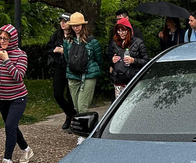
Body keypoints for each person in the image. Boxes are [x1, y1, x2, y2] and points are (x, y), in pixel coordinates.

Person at [0, 24, 32, 163]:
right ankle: (26, 149)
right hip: (1, 97)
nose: (2, 41)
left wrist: (6, 60)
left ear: (12, 39)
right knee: (11, 126)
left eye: (5, 38)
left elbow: (18, 76)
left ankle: (7, 161)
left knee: (9, 126)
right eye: (0, 38)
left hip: (18, 98)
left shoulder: (21, 55)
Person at [63, 12, 104, 144]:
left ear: (83, 25)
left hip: (88, 75)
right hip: (73, 75)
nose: (76, 28)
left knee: (83, 105)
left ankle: (84, 135)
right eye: (74, 25)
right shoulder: (68, 42)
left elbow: (99, 59)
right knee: (76, 106)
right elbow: (66, 58)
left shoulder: (93, 42)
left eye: (78, 25)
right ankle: (88, 130)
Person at [47, 13, 75, 131]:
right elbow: (48, 48)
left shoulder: (75, 36)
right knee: (58, 94)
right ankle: (71, 114)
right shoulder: (57, 35)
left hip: (72, 67)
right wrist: (55, 51)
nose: (62, 23)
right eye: (61, 21)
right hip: (60, 67)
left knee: (70, 95)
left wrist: (66, 51)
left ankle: (72, 120)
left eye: (65, 21)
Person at [110, 18, 149, 98]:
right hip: (118, 80)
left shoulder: (139, 42)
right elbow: (110, 60)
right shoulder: (114, 43)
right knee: (119, 106)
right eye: (119, 31)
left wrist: (133, 60)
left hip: (133, 81)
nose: (121, 33)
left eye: (123, 30)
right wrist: (112, 60)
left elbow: (146, 61)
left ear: (129, 30)